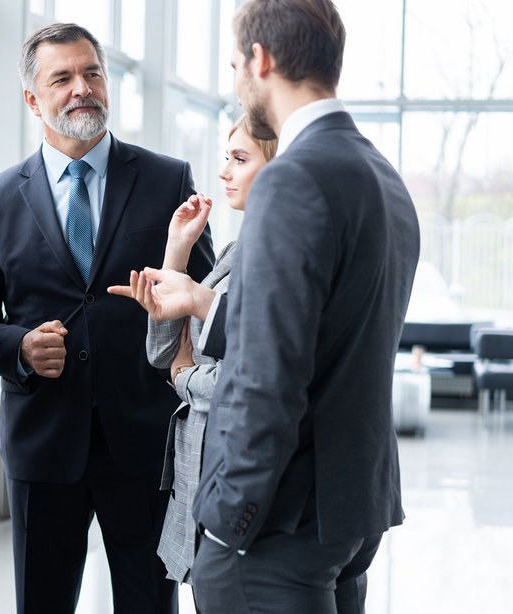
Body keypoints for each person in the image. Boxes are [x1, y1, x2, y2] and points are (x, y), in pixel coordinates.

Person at [118, 1, 420, 612]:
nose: (235, 81)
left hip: (278, 519)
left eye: (235, 64)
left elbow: (268, 376)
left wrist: (229, 519)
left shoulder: (294, 178)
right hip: (350, 505)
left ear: (261, 60)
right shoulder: (382, 177)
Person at [0, 22, 215, 614]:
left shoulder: (166, 179)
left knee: (150, 604)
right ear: (32, 98)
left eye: (92, 72)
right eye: (63, 78)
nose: (83, 88)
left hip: (145, 443)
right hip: (44, 448)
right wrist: (18, 346)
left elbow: (205, 297)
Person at [109, 116, 277, 590]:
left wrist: (184, 379)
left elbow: (244, 376)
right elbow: (164, 352)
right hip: (202, 475)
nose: (224, 172)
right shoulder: (233, 249)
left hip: (231, 472)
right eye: (226, 158)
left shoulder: (273, 256)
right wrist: (175, 254)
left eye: (239, 159)